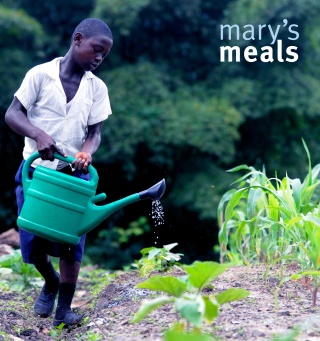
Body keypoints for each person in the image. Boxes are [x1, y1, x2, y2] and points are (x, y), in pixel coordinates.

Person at [5, 18, 113, 327]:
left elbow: (95, 134)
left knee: (71, 243)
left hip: (71, 174)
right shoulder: (40, 75)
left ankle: (64, 309)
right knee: (33, 243)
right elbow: (13, 114)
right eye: (96, 50)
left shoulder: (97, 88)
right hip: (36, 172)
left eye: (104, 55)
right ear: (77, 39)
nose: (98, 59)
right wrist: (38, 135)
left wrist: (86, 154)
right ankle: (50, 282)